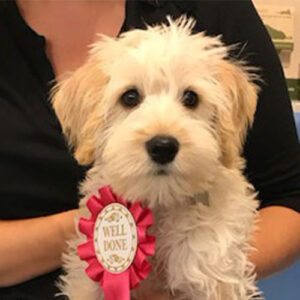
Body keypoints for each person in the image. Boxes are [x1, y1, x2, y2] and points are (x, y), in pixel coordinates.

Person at [0, 0, 300, 299]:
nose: (162, 134)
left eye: (191, 99)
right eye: (130, 98)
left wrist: (196, 278)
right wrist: (106, 230)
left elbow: (289, 195)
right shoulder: (99, 208)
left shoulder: (216, 8)